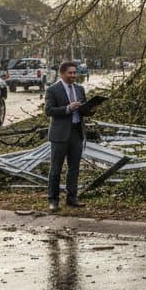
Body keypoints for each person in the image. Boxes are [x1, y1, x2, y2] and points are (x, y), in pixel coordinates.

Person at [45, 60, 88, 213]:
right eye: (70, 73)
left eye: (75, 73)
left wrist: (91, 109)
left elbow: (84, 109)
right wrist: (68, 109)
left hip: (76, 133)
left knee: (74, 168)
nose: (73, 76)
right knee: (56, 168)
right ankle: (53, 200)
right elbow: (49, 110)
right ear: (62, 73)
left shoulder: (80, 89)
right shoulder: (53, 90)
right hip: (60, 135)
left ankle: (72, 197)